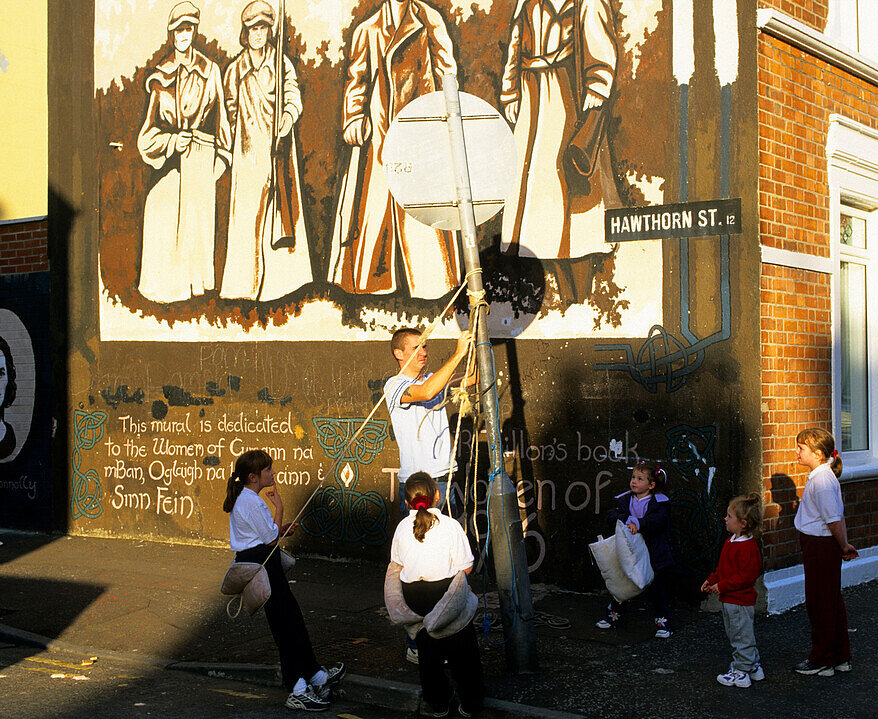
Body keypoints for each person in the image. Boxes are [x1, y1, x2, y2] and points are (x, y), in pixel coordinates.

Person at [326, 0, 462, 299]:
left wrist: (448, 117)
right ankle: (371, 283)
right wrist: (353, 117)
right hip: (380, 125)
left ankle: (432, 283)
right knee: (375, 206)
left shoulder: (429, 20)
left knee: (421, 205)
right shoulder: (368, 29)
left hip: (420, 121)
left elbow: (447, 72)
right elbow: (357, 80)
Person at [498, 0, 621, 262]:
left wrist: (598, 84)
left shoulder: (586, 1)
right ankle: (529, 246)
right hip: (530, 93)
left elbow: (599, 38)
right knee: (528, 172)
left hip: (565, 93)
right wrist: (510, 92)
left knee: (561, 171)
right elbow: (515, 44)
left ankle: (571, 250)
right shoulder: (527, 2)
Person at [223, 449, 344, 710]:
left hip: (263, 561)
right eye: (268, 470)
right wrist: (279, 507)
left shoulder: (246, 499)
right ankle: (298, 688)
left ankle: (315, 675)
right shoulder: (251, 501)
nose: (272, 473)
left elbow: (267, 533)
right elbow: (269, 538)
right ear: (254, 477)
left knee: (292, 620)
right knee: (285, 625)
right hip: (263, 564)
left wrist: (280, 527)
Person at [137, 1, 231, 304]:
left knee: (197, 229)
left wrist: (217, 164)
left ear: (195, 31)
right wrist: (170, 142)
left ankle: (195, 293)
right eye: (178, 29)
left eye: (188, 28)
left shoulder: (210, 71)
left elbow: (223, 127)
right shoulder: (161, 78)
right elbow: (146, 138)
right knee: (159, 206)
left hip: (202, 161)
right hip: (173, 164)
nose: (183, 35)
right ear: (171, 33)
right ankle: (164, 291)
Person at [221, 0, 313, 301]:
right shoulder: (235, 69)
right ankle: (242, 288)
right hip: (247, 155)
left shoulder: (281, 63)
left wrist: (286, 121)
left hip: (280, 151)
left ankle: (284, 288)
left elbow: (293, 97)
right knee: (247, 217)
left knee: (283, 214)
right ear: (245, 33)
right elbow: (230, 111)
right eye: (253, 29)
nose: (258, 34)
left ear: (270, 31)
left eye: (263, 28)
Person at [388, 473, 484, 716]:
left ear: (408, 500)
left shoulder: (401, 528)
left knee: (427, 653)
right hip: (445, 594)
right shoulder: (451, 526)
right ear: (438, 496)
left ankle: (438, 702)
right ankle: (470, 704)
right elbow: (467, 567)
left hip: (414, 598)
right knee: (463, 652)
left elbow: (397, 563)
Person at [385, 327, 475, 519]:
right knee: (419, 543)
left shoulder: (433, 379)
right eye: (416, 348)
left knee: (447, 544)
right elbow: (427, 392)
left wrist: (474, 344)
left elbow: (473, 377)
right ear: (399, 353)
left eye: (425, 347)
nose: (424, 352)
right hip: (416, 486)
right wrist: (458, 353)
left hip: (444, 480)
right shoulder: (394, 385)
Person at [792, 427, 857, 677]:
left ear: (818, 454)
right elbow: (838, 516)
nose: (797, 452)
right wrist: (843, 544)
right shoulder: (825, 476)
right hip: (823, 545)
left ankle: (822, 659)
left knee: (820, 603)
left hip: (820, 545)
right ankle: (840, 656)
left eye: (801, 448)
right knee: (830, 601)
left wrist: (843, 546)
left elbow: (833, 520)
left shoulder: (821, 481)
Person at [596, 460, 674, 637]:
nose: (634, 481)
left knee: (656, 589)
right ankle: (614, 617)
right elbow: (611, 515)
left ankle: (663, 623)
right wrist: (626, 519)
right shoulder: (624, 499)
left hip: (653, 553)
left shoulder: (660, 502)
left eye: (640, 478)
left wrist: (640, 523)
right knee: (622, 585)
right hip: (628, 552)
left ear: (651, 484)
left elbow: (659, 521)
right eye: (633, 477)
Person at [702, 494, 764, 688]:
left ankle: (741, 671)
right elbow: (723, 569)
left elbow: (745, 577)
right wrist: (712, 580)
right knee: (738, 633)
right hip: (731, 599)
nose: (725, 519)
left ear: (743, 523)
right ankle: (752, 665)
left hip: (739, 600)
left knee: (739, 635)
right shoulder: (732, 542)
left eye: (729, 516)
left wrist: (722, 585)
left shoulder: (747, 547)